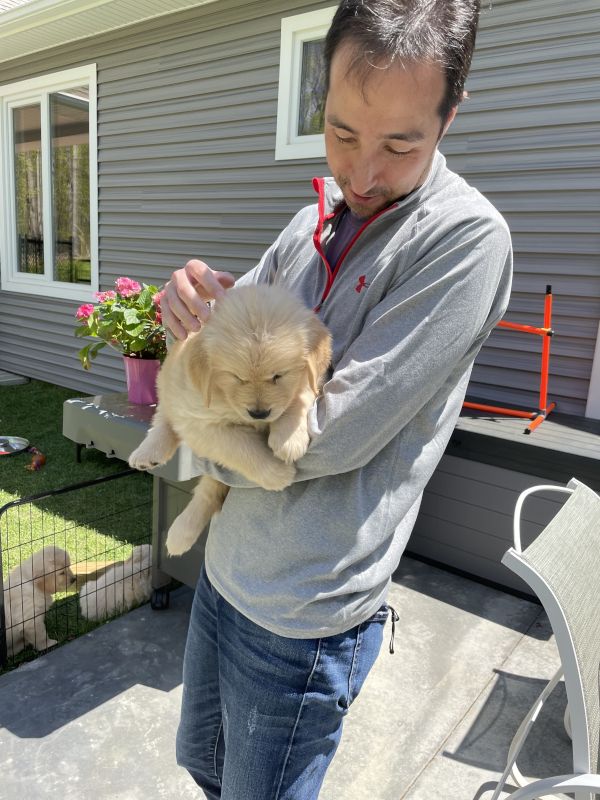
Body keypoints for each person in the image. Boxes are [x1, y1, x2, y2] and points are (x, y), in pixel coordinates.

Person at [164, 1, 512, 797]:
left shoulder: (465, 242)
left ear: (450, 116)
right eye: (342, 131)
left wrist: (190, 412)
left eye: (400, 145)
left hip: (305, 609)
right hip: (227, 565)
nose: (361, 175)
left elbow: (322, 437)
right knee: (204, 765)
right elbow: (224, 346)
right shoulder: (308, 223)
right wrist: (187, 309)